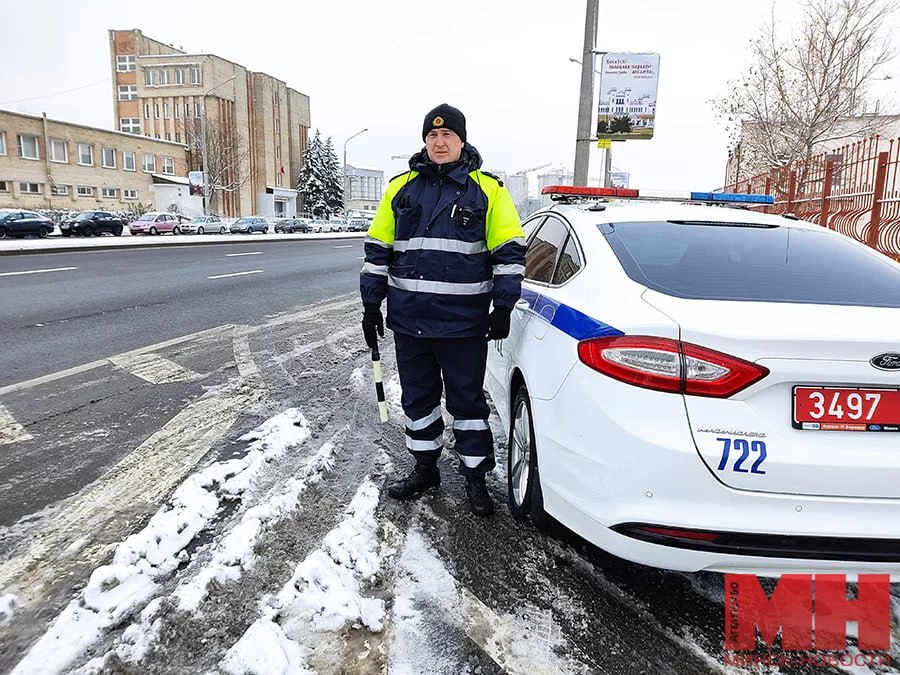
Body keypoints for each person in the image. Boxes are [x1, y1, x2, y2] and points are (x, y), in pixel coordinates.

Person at [360, 103, 526, 517]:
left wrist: (503, 306)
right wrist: (370, 303)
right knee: (418, 400)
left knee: (467, 404)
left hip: (463, 324)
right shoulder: (401, 188)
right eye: (432, 136)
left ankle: (474, 477)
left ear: (461, 140)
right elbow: (379, 248)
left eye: (447, 135)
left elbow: (509, 253)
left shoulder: (489, 190)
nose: (439, 142)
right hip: (409, 320)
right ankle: (425, 468)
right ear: (425, 141)